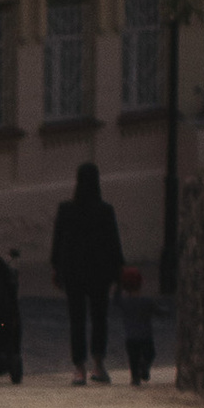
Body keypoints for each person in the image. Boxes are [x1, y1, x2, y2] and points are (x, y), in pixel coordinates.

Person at [50, 162, 125, 383]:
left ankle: (79, 368)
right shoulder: (105, 210)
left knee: (77, 319)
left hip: (73, 272)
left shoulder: (66, 210)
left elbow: (58, 243)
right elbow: (114, 244)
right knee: (99, 318)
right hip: (99, 272)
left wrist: (56, 268)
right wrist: (117, 272)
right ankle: (98, 365)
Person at [117, 261, 159, 384]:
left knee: (133, 358)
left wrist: (118, 285)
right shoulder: (146, 301)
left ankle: (135, 377)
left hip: (131, 337)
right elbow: (159, 311)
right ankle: (144, 366)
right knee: (149, 354)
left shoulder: (124, 302)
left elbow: (116, 299)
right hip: (146, 336)